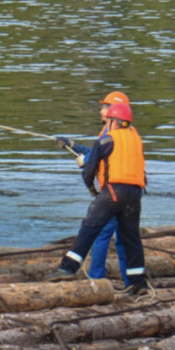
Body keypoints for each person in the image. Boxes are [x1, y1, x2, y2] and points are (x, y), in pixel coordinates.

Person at [45, 101, 149, 297]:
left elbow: (89, 171)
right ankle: (138, 282)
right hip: (135, 195)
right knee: (131, 238)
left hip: (112, 192)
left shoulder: (106, 140)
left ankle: (67, 268)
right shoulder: (136, 140)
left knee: (89, 228)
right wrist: (75, 147)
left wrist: (92, 190)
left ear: (114, 122)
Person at [54, 91, 130, 286]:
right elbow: (97, 152)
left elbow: (100, 157)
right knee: (124, 238)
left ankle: (96, 279)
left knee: (101, 233)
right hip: (129, 194)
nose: (100, 110)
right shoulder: (119, 131)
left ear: (113, 111)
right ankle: (131, 281)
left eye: (104, 107)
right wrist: (73, 145)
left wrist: (85, 163)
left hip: (113, 193)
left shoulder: (112, 133)